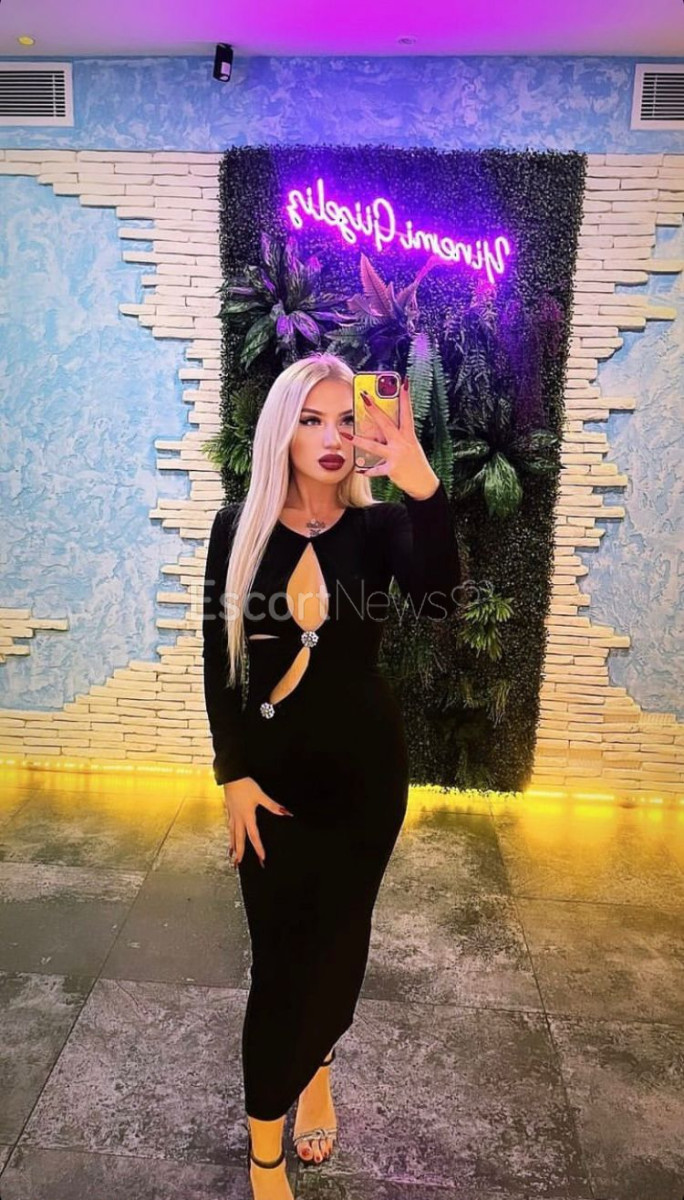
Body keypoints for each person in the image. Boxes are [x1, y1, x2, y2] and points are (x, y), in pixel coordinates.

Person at [202, 351, 460, 1200]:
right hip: (271, 786)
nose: (332, 437)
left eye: (347, 419)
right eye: (311, 420)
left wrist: (420, 483)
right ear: (282, 430)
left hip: (365, 782)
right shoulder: (238, 527)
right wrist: (233, 774)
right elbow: (218, 661)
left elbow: (439, 601)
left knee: (341, 950)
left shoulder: (378, 529)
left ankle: (317, 1072)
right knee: (281, 964)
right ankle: (264, 1153)